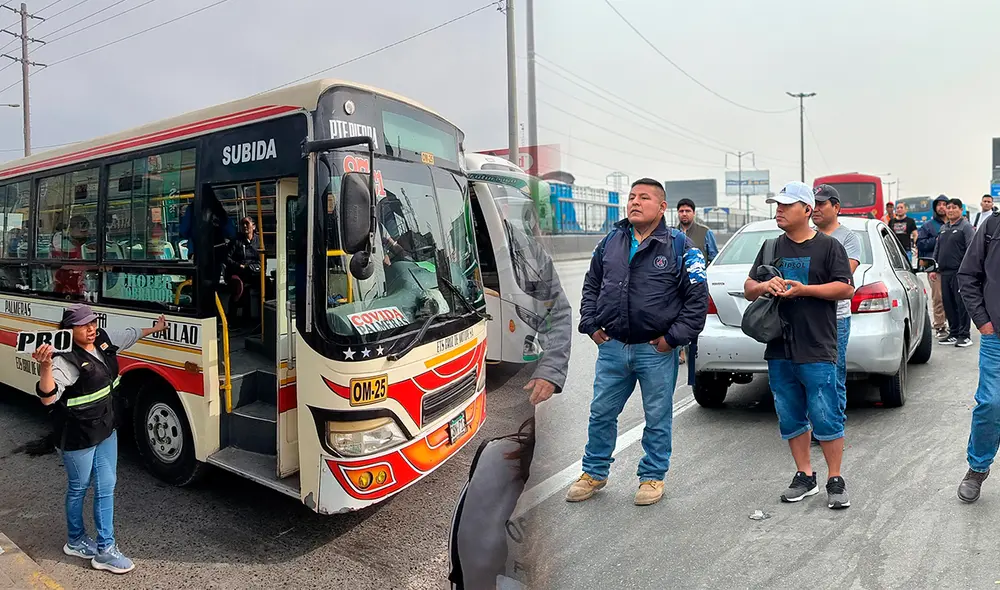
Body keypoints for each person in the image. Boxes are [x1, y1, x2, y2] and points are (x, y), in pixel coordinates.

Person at [567, 178, 707, 507]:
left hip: (655, 351)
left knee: (657, 416)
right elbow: (592, 285)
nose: (634, 202)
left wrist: (672, 339)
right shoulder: (610, 242)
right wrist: (590, 324)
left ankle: (652, 477)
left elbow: (697, 300)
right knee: (601, 412)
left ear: (661, 207)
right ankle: (594, 472)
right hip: (613, 348)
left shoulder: (681, 247)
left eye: (644, 197)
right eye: (631, 197)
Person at [31, 303, 170, 574]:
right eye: (84, 325)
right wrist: (46, 366)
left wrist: (155, 328)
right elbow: (48, 396)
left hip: (107, 429)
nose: (91, 328)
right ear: (69, 331)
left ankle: (106, 549)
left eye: (93, 322)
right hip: (78, 436)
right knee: (79, 488)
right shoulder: (64, 359)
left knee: (106, 487)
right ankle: (75, 539)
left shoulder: (103, 340)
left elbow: (129, 334)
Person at [743, 181, 855, 509]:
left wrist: (804, 290)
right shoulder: (769, 246)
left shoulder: (829, 247)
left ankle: (835, 478)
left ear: (807, 210)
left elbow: (845, 289)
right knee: (789, 412)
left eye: (786, 205)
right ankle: (805, 475)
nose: (778, 210)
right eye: (776, 205)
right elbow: (749, 287)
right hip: (779, 345)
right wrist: (765, 284)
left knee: (825, 412)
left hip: (817, 343)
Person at [956, 209, 1000, 502]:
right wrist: (983, 321)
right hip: (996, 337)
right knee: (991, 403)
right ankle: (977, 468)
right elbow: (968, 275)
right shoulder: (992, 225)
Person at [811, 184, 861, 426]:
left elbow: (843, 277)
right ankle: (818, 422)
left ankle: (833, 425)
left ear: (836, 207)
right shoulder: (806, 235)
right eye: (814, 204)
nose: (816, 209)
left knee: (833, 373)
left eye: (822, 204)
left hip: (836, 318)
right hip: (806, 315)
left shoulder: (848, 238)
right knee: (810, 374)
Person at [675, 198, 717, 367]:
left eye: (687, 211)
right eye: (681, 211)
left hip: (696, 285)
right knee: (676, 317)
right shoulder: (671, 233)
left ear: (693, 213)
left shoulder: (705, 232)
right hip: (676, 285)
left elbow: (713, 257)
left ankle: (693, 349)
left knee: (694, 317)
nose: (684, 214)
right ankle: (680, 351)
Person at [932, 198, 976, 348]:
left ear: (961, 210)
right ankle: (954, 333)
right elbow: (938, 249)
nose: (950, 210)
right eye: (948, 208)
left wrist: (967, 270)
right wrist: (934, 267)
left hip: (960, 273)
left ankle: (965, 335)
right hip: (945, 273)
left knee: (961, 303)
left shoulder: (966, 227)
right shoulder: (944, 228)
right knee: (948, 304)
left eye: (953, 207)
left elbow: (971, 249)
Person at [916, 195, 951, 338]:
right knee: (938, 297)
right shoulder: (928, 226)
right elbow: (920, 243)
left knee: (951, 297)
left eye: (945, 204)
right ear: (935, 208)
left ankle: (952, 324)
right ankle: (940, 325)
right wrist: (936, 239)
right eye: (939, 205)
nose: (942, 207)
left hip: (952, 266)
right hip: (934, 267)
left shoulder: (954, 224)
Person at [225, 216, 262, 325]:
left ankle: (260, 319)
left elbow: (263, 257)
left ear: (254, 226)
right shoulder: (236, 241)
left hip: (252, 272)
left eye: (247, 223)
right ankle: (232, 320)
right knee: (239, 288)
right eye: (243, 224)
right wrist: (239, 266)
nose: (245, 226)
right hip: (236, 272)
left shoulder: (259, 241)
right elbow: (227, 258)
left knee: (267, 285)